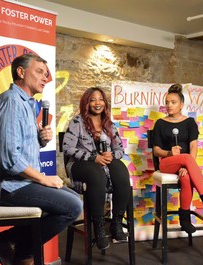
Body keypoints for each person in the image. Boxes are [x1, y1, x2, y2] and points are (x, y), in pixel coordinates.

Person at [0, 54, 82, 265]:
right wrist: (44, 179)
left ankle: (9, 242)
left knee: (72, 199)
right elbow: (9, 159)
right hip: (3, 185)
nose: (46, 78)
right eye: (40, 72)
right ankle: (22, 252)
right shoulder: (11, 102)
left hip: (18, 182)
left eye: (46, 73)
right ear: (21, 72)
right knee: (72, 206)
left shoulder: (26, 104)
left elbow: (19, 147)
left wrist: (41, 139)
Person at [63, 87, 131, 250]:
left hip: (104, 163)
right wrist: (94, 158)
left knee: (122, 173)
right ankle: (99, 228)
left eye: (100, 99)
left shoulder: (109, 124)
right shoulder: (77, 122)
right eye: (93, 100)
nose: (97, 103)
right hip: (81, 165)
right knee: (96, 174)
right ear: (86, 103)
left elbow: (120, 149)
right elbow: (67, 148)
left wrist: (111, 156)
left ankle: (116, 224)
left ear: (104, 103)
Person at [152, 83, 203, 234]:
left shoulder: (190, 122)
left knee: (186, 178)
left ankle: (184, 219)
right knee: (185, 158)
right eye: (167, 103)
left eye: (173, 102)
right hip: (167, 163)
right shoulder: (160, 123)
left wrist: (186, 165)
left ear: (181, 104)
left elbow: (193, 147)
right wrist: (170, 153)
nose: (169, 105)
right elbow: (156, 150)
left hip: (185, 163)